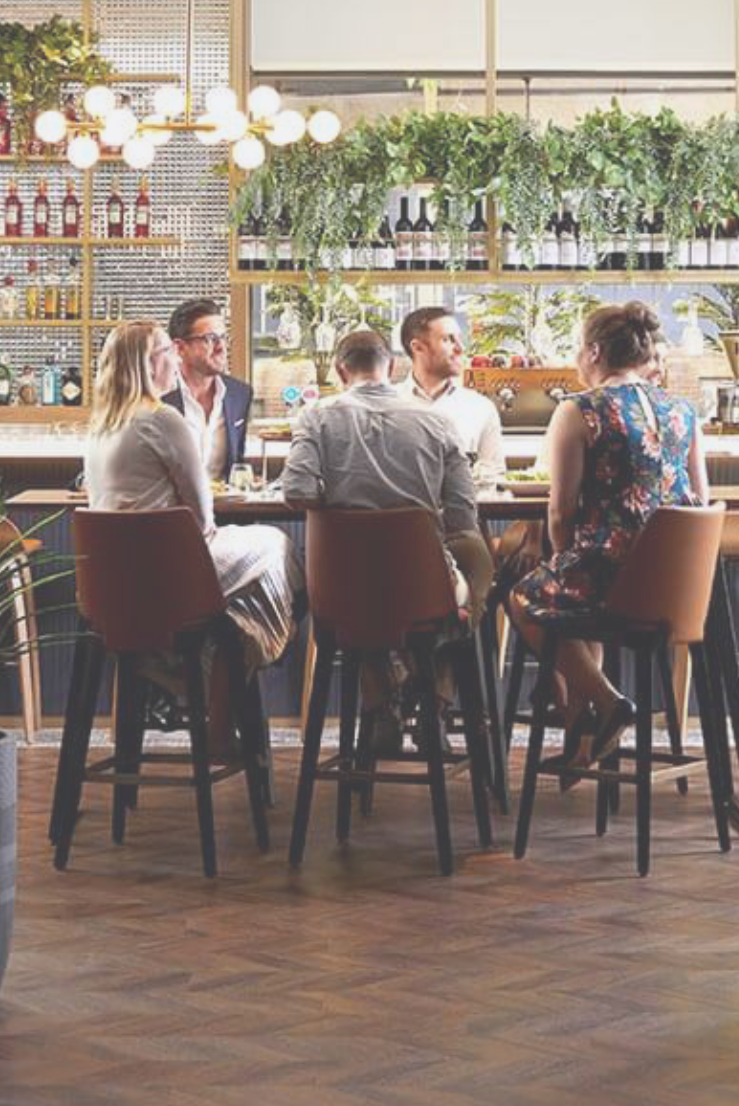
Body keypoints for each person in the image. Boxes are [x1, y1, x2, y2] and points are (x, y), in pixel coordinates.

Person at [506, 301, 712, 761]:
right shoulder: (683, 411)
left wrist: (561, 560)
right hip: (679, 588)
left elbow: (560, 513)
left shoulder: (580, 409)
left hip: (612, 580)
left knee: (524, 598)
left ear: (595, 352)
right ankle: (582, 737)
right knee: (575, 596)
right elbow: (701, 500)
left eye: (578, 348)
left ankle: (608, 702)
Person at [84, 320, 294, 680]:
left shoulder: (102, 425)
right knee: (278, 544)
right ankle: (237, 667)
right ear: (149, 363)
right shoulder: (163, 419)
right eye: (169, 351)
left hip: (111, 582)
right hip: (167, 576)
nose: (177, 361)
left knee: (237, 608)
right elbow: (201, 517)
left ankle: (197, 676)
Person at [280, 326, 491, 615]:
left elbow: (296, 492)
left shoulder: (314, 417)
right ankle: (454, 629)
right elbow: (462, 515)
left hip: (341, 589)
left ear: (341, 372)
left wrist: (340, 502)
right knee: (478, 563)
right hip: (421, 588)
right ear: (391, 367)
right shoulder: (439, 422)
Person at [399, 305, 508, 484]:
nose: (460, 348)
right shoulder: (386, 406)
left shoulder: (481, 408)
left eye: (459, 339)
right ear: (418, 348)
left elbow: (494, 478)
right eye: (448, 340)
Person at [163, 296, 254, 482]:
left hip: (225, 500)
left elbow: (236, 466)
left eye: (223, 338)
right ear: (180, 348)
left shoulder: (240, 395)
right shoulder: (159, 395)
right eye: (210, 339)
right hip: (170, 500)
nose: (221, 348)